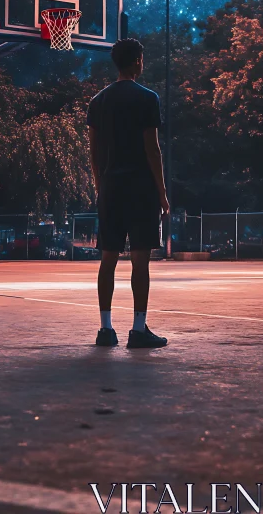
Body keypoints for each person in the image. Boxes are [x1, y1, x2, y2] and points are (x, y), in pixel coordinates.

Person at [87, 38, 170, 348]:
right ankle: (138, 329)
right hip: (140, 188)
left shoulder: (97, 101)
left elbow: (94, 152)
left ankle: (105, 329)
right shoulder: (148, 98)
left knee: (108, 258)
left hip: (111, 187)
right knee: (140, 261)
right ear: (137, 61)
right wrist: (162, 193)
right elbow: (153, 149)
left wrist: (100, 186)